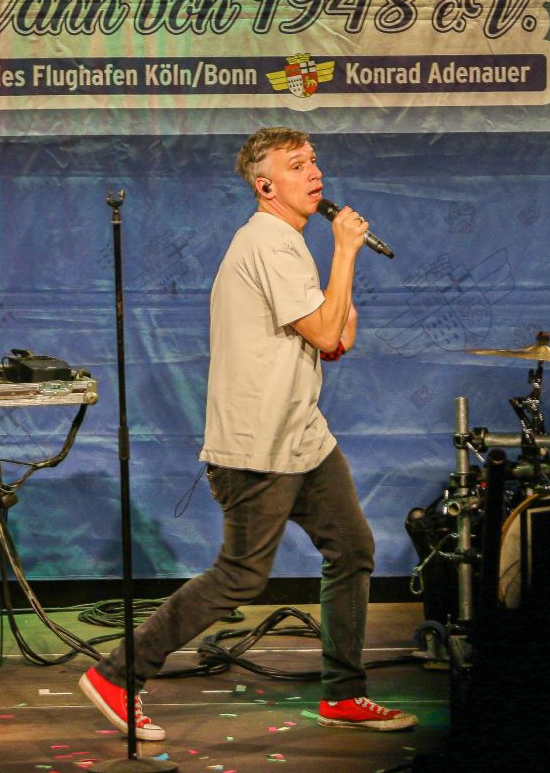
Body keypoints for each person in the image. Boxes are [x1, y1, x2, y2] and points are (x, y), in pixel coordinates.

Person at [79, 127, 415, 740]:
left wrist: (338, 278)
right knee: (241, 576)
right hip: (259, 443)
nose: (315, 172)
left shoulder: (290, 244)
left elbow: (336, 339)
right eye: (297, 165)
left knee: (352, 549)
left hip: (303, 434)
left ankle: (343, 694)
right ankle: (117, 674)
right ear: (265, 186)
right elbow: (326, 331)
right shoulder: (266, 242)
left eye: (314, 161)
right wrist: (344, 254)